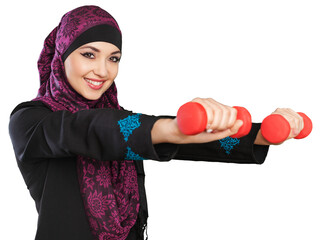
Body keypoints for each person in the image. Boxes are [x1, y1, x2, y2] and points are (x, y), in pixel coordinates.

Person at [8, 5, 305, 240]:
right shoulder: (30, 119)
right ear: (62, 56)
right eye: (89, 54)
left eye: (114, 58)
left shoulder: (122, 116)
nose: (102, 70)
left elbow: (182, 141)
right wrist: (171, 128)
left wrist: (262, 135)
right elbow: (87, 130)